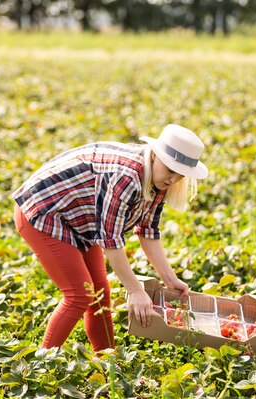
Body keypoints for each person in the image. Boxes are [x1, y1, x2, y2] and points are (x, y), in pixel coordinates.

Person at [12, 124, 208, 352]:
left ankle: (107, 360)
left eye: (180, 175)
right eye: (170, 170)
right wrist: (135, 290)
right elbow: (110, 241)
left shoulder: (158, 182)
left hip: (80, 219)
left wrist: (170, 279)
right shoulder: (126, 176)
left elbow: (148, 232)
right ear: (154, 155)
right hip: (43, 210)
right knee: (80, 295)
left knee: (100, 294)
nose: (173, 179)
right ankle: (39, 363)